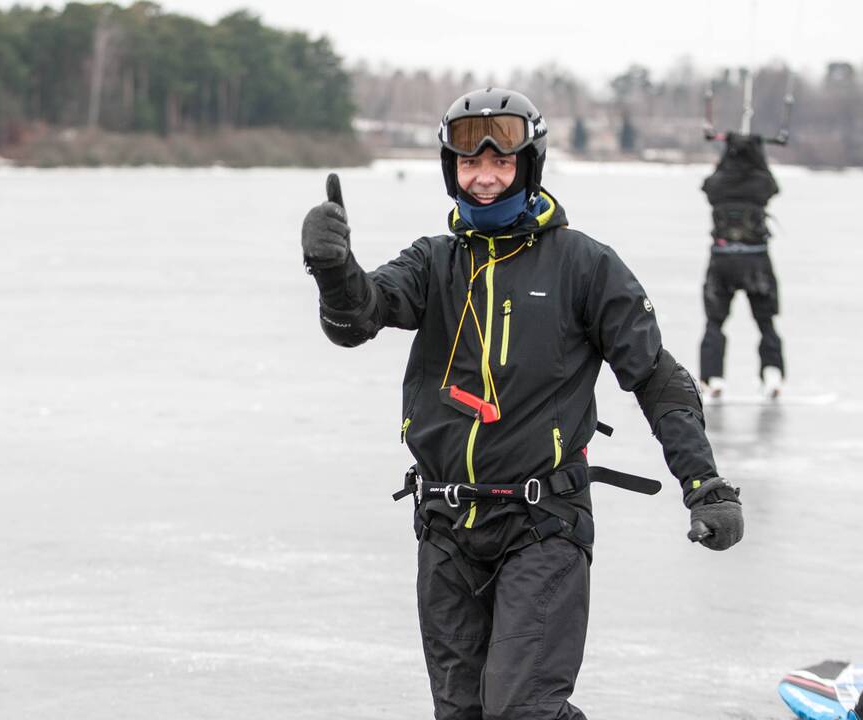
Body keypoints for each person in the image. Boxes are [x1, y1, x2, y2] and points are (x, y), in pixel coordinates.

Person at [300, 88, 744, 720]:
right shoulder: (434, 261)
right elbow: (358, 318)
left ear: (528, 164)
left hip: (544, 523)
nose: (483, 179)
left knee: (522, 710)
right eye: (469, 165)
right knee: (463, 713)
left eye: (500, 164)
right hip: (447, 527)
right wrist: (333, 269)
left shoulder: (584, 265)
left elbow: (655, 377)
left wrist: (703, 482)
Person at [699, 133, 784, 399]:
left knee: (715, 321)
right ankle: (772, 373)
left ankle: (713, 377)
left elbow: (708, 185)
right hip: (756, 260)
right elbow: (772, 186)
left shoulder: (719, 184)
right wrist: (757, 151)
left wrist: (729, 152)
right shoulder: (759, 183)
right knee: (766, 321)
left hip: (722, 259)